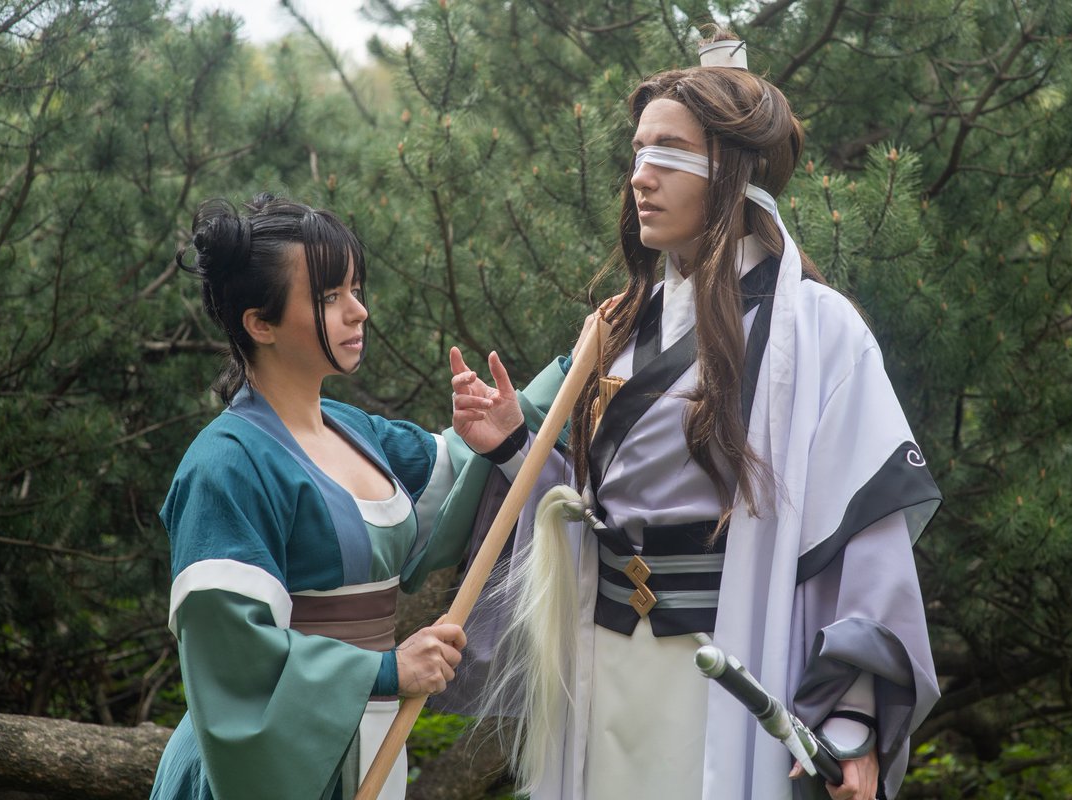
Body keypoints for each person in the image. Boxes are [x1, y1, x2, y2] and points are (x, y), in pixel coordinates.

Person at [449, 31, 943, 800]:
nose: (640, 177)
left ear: (735, 170)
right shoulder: (615, 327)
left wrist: (854, 718)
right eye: (637, 152)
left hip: (727, 665)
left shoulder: (818, 333)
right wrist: (514, 442)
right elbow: (594, 519)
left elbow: (865, 544)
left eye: (670, 152)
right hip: (604, 664)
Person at [150, 194, 529, 800]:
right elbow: (233, 663)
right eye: (330, 297)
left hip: (374, 740)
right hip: (270, 766)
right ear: (260, 323)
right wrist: (384, 669)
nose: (359, 311)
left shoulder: (357, 431)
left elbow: (466, 478)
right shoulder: (224, 467)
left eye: (356, 289)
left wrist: (528, 412)